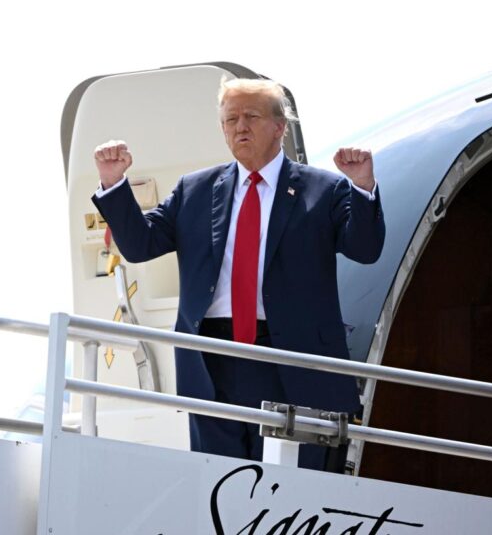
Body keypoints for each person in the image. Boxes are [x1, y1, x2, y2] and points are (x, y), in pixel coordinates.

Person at [92, 78, 385, 470]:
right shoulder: (194, 190)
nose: (240, 127)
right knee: (222, 488)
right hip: (213, 360)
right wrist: (114, 184)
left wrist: (363, 187)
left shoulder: (324, 188)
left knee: (295, 491)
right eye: (230, 119)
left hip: (293, 360)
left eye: (251, 116)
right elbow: (141, 245)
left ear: (280, 127)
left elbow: (366, 249)